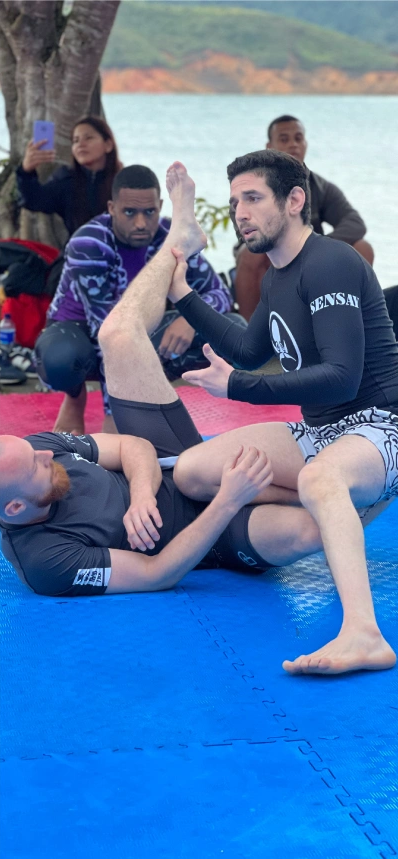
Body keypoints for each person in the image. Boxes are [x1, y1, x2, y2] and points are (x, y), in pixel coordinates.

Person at [0, 163, 319, 607]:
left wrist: (142, 495)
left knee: (118, 335)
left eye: (34, 451)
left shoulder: (31, 451)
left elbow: (133, 448)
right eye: (36, 466)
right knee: (308, 528)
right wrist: (227, 501)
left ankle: (180, 239)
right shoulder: (46, 561)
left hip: (172, 462)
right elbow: (157, 572)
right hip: (210, 537)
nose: (43, 453)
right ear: (15, 509)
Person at [163, 151, 398, 676]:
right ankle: (337, 507)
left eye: (252, 198)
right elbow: (248, 349)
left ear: (294, 201)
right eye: (234, 202)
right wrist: (182, 295)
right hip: (321, 432)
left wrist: (239, 388)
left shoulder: (332, 261)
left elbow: (343, 376)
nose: (241, 212)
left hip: (383, 425)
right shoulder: (276, 276)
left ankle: (364, 633)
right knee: (193, 470)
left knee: (319, 477)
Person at [34, 164, 244, 435]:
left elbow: (220, 295)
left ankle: (151, 389)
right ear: (111, 208)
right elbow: (106, 334)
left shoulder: (173, 236)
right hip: (81, 334)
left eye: (149, 212)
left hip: (139, 329)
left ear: (159, 205)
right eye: (129, 212)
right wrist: (115, 417)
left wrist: (191, 319)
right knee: (60, 360)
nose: (141, 223)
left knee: (234, 330)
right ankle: (75, 397)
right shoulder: (89, 244)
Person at [234, 114, 373, 320]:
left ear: (305, 144)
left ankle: (348, 323)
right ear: (269, 146)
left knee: (362, 247)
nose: (293, 144)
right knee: (250, 253)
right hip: (271, 256)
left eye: (298, 138)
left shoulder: (319, 186)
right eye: (284, 139)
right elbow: (247, 231)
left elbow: (354, 223)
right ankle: (248, 337)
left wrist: (317, 247)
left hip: (310, 258)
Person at [16, 115, 122, 237]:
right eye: (75, 141)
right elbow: (34, 201)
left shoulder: (125, 181)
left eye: (88, 138)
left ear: (108, 145)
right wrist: (26, 171)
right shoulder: (67, 179)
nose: (81, 144)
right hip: (77, 252)